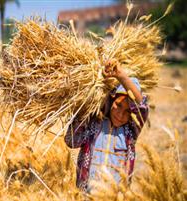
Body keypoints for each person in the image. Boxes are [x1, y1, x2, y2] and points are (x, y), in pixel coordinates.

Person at [64, 60, 149, 193]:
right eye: (118, 105)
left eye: (128, 111)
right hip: (85, 197)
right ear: (111, 100)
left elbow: (141, 106)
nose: (120, 114)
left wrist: (121, 76)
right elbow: (71, 141)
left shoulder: (130, 133)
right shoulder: (93, 124)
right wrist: (83, 104)